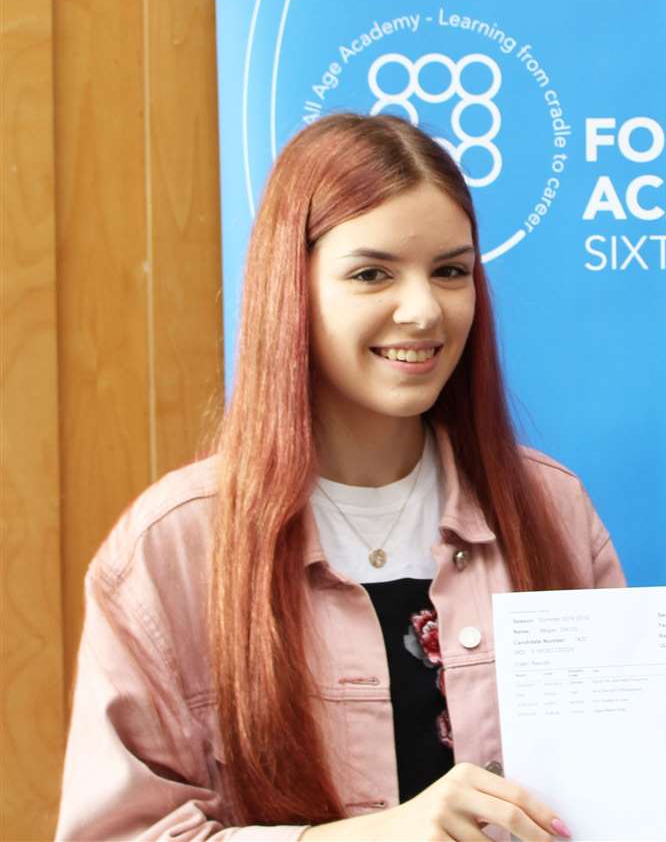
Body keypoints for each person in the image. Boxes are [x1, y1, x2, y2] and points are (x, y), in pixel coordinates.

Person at [57, 112, 624, 840]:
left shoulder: (550, 508)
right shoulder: (173, 547)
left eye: (450, 271)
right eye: (371, 274)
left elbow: (620, 784)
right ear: (291, 288)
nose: (423, 311)